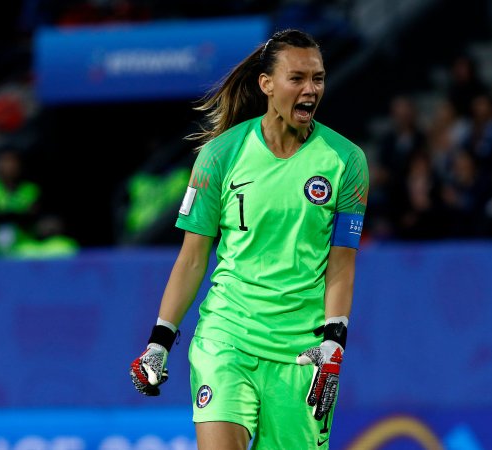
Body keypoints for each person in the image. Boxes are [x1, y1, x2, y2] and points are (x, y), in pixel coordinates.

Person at [129, 29, 369, 450]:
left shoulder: (346, 161)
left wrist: (334, 343)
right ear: (266, 84)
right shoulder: (220, 156)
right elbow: (191, 259)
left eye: (318, 78)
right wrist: (159, 342)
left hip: (301, 352)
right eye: (297, 78)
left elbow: (342, 264)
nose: (311, 89)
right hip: (227, 337)